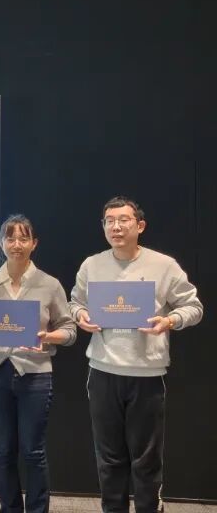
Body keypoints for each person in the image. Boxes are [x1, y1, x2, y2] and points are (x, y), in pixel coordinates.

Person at [70, 196, 202, 513]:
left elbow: (194, 307)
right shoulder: (92, 265)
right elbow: (75, 302)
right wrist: (80, 316)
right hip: (103, 372)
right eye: (109, 221)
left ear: (140, 225)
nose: (116, 227)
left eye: (124, 220)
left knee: (146, 459)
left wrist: (170, 320)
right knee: (109, 458)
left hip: (146, 374)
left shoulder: (164, 265)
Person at [0, 215, 76, 513]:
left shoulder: (49, 284)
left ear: (34, 243)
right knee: (3, 450)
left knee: (33, 450)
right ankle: (10, 509)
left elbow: (69, 331)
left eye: (23, 238)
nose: (16, 244)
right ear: (1, 243)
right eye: (10, 238)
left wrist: (47, 337)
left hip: (35, 375)